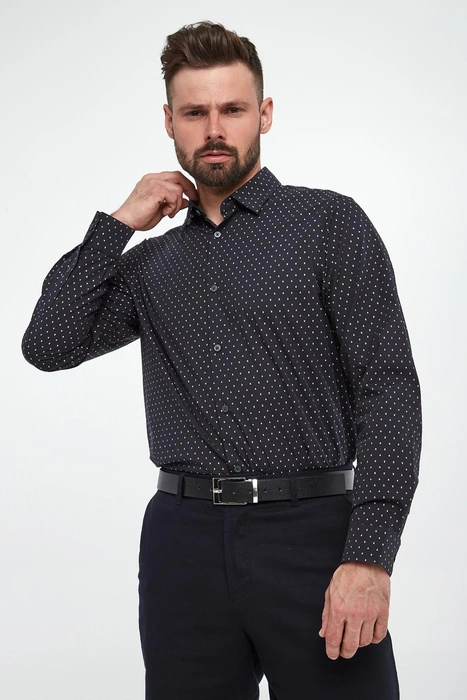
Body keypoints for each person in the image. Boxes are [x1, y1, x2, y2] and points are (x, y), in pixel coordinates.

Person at [22, 20, 422, 700]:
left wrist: (370, 556)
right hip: (183, 547)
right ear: (169, 122)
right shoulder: (150, 263)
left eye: (232, 109)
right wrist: (117, 224)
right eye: (194, 113)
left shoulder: (330, 225)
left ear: (263, 114)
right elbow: (48, 344)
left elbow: (387, 392)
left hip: (316, 538)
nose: (214, 129)